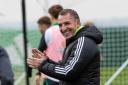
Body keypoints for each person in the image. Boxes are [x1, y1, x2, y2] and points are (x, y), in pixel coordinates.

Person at [27, 9, 103, 85]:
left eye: (67, 23)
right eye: (60, 25)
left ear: (77, 22)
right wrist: (46, 61)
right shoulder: (74, 40)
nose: (63, 28)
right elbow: (65, 66)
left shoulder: (83, 41)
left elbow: (68, 72)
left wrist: (42, 65)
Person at [35, 4, 65, 85]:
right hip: (67, 75)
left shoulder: (48, 32)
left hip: (52, 75)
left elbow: (39, 53)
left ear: (51, 17)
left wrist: (38, 73)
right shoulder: (70, 31)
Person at [35, 16, 51, 85]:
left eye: (39, 26)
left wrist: (38, 73)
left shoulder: (47, 34)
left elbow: (39, 52)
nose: (39, 29)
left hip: (50, 75)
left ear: (44, 25)